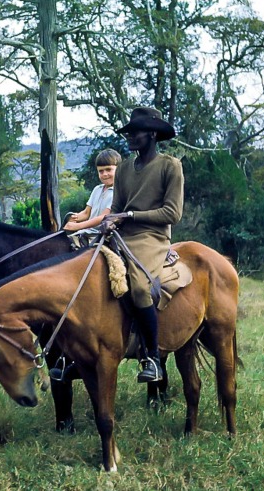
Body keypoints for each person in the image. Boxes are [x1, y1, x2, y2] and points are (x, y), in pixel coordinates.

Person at [105, 106, 183, 383]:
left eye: (135, 132)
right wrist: (110, 221)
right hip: (121, 234)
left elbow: (172, 213)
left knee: (138, 286)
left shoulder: (170, 166)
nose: (130, 137)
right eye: (128, 132)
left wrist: (130, 215)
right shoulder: (124, 168)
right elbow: (115, 207)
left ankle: (152, 357)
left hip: (152, 236)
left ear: (152, 134)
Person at [63, 149, 122, 243]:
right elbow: (86, 213)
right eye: (101, 171)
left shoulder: (119, 192)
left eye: (108, 170)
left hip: (103, 235)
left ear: (119, 169)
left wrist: (77, 226)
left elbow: (104, 217)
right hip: (86, 233)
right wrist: (75, 217)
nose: (105, 174)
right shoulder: (97, 189)